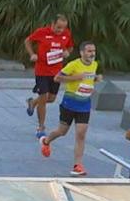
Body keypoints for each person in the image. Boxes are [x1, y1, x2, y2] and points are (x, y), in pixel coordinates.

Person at [40, 41, 99, 175]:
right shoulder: (73, 64)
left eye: (93, 51)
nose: (92, 54)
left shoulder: (95, 65)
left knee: (81, 134)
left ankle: (78, 165)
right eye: (89, 51)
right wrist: (75, 77)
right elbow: (57, 78)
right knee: (62, 131)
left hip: (84, 105)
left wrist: (95, 79)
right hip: (69, 104)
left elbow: (89, 79)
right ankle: (46, 141)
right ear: (82, 52)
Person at [24, 14, 74, 140]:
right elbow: (28, 40)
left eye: (63, 28)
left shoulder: (66, 34)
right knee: (44, 97)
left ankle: (32, 102)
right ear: (52, 24)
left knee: (51, 99)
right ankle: (41, 127)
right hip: (42, 70)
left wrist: (67, 52)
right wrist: (32, 54)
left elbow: (70, 46)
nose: (60, 30)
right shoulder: (42, 32)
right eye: (58, 27)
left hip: (56, 72)